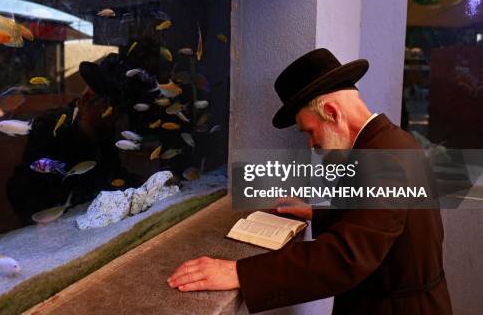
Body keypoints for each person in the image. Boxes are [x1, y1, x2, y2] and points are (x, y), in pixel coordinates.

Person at [167, 48, 452, 314]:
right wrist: (318, 213)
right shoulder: (390, 141)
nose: (312, 143)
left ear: (331, 112)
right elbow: (383, 221)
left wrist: (238, 272)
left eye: (309, 131)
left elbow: (345, 256)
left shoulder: (382, 159)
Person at [6, 53, 129, 225]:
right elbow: (21, 189)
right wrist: (42, 222)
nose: (116, 116)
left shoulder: (105, 132)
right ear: (86, 100)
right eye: (111, 106)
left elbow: (114, 174)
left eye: (119, 110)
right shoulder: (50, 127)